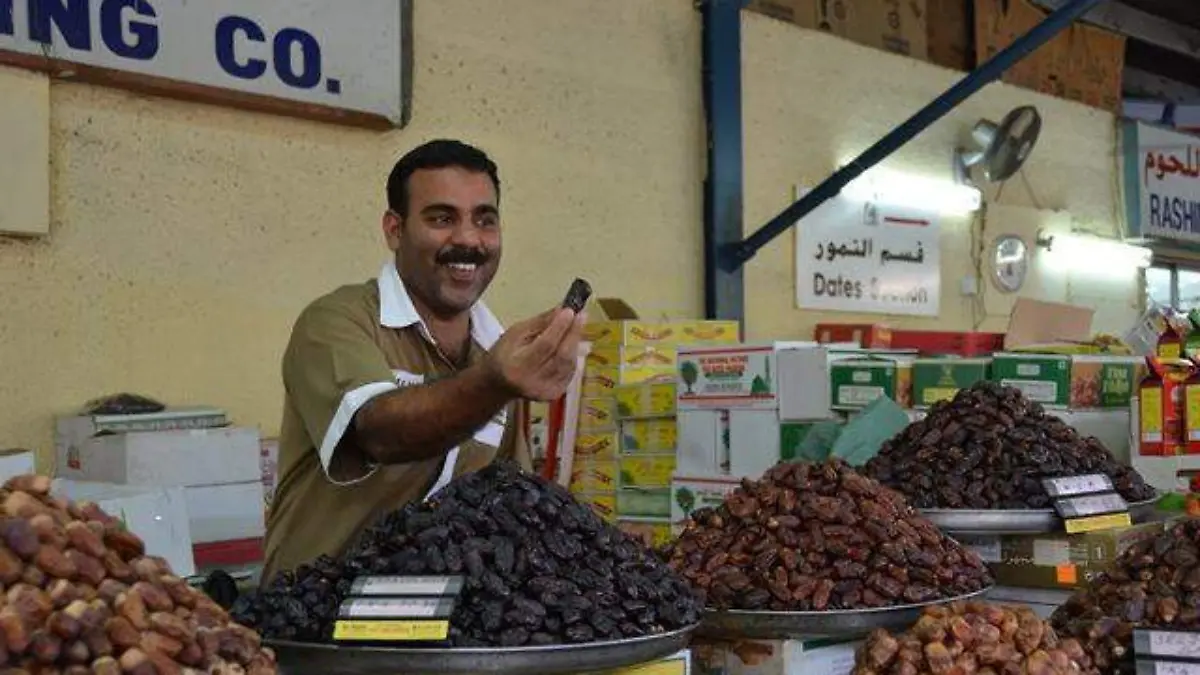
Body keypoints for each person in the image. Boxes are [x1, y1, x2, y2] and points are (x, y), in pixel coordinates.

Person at [262, 140, 586, 582]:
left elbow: (510, 501)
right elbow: (379, 432)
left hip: (428, 629)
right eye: (441, 219)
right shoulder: (336, 322)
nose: (468, 240)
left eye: (484, 221)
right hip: (314, 622)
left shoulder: (498, 353)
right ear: (395, 230)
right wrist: (494, 382)